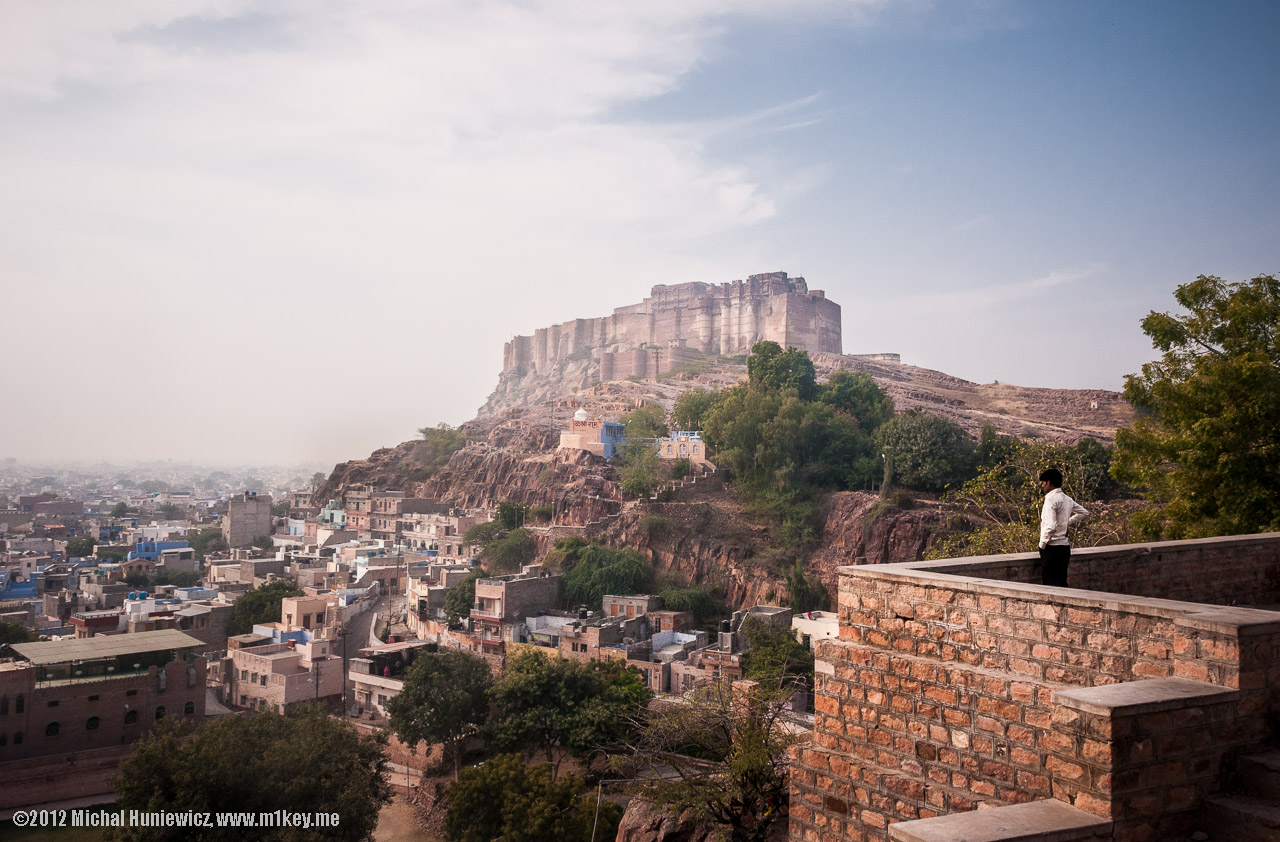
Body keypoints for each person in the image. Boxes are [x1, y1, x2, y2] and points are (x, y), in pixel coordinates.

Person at [1038, 468, 1088, 587]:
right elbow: (1084, 513)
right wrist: (1066, 522)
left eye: (1044, 482)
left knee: (1050, 583)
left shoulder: (1050, 499)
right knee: (1061, 581)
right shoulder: (1067, 499)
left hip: (1051, 547)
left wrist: (1042, 544)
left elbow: (1050, 526)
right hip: (1064, 547)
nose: (1043, 485)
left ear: (1049, 483)